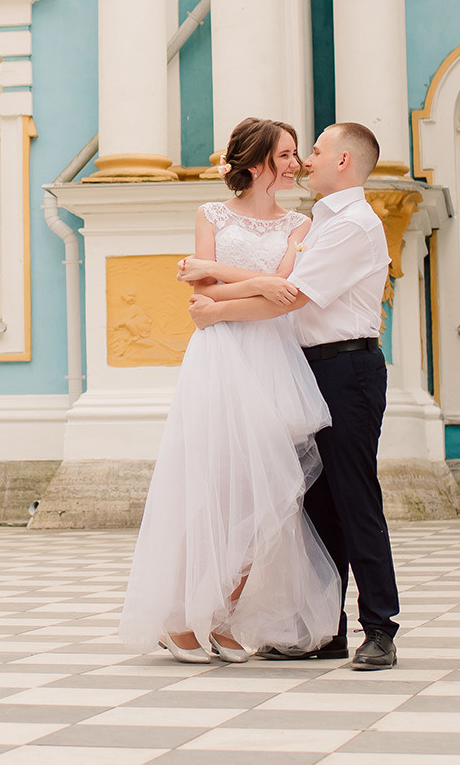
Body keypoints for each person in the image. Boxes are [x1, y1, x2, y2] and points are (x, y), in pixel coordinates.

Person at [117, 118, 341, 665]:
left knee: (267, 495)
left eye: (296, 154)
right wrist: (254, 282)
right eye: (285, 154)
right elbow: (201, 295)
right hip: (220, 359)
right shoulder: (211, 214)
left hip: (274, 359)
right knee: (214, 488)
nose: (295, 164)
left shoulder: (300, 223)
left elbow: (283, 291)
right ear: (258, 161)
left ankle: (220, 615)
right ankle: (180, 619)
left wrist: (224, 275)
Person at [188, 121, 401, 671]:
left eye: (317, 150)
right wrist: (218, 294)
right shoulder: (321, 221)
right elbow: (277, 288)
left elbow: (292, 297)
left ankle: (380, 627)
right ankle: (326, 630)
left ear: (343, 162)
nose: (306, 159)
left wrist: (215, 305)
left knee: (355, 497)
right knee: (317, 502)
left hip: (348, 367)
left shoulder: (352, 225)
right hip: (309, 367)